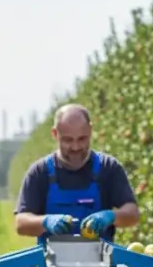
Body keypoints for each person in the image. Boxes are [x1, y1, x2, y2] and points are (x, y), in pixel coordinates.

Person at [14, 104, 140, 242]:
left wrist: (110, 216)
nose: (75, 147)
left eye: (82, 139)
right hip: (50, 261)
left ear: (91, 131)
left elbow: (132, 214)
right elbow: (21, 223)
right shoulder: (40, 172)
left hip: (101, 262)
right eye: (68, 140)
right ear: (55, 134)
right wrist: (45, 222)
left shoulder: (108, 168)